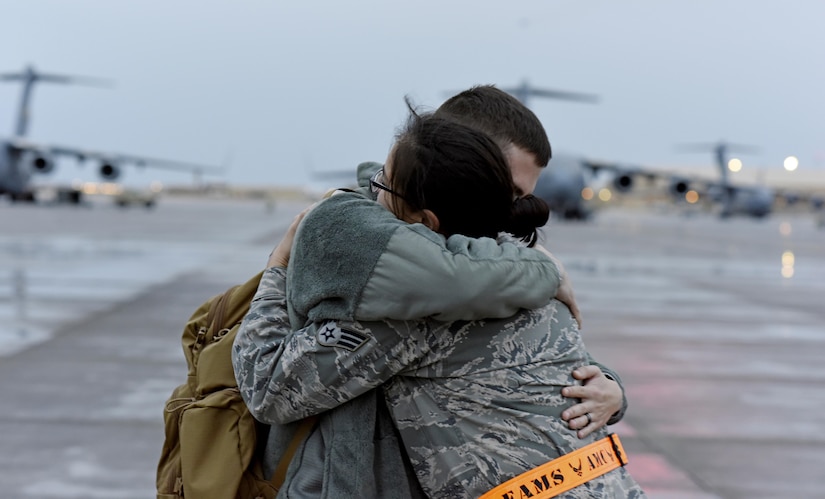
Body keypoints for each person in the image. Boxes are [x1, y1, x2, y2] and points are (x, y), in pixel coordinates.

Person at [234, 110, 645, 497]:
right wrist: (614, 391)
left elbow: (270, 389)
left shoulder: (414, 304)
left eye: (383, 183)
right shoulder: (509, 265)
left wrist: (276, 271)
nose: (373, 199)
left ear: (425, 220)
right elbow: (559, 371)